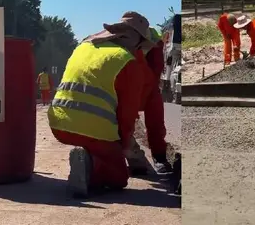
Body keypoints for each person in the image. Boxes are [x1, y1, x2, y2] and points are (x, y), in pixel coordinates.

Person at [48, 11, 155, 197]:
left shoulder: (82, 47)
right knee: (118, 177)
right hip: (93, 130)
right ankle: (90, 166)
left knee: (97, 144)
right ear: (136, 42)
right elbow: (126, 116)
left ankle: (86, 155)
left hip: (58, 124)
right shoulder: (127, 62)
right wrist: (123, 147)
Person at [130, 27, 175, 176]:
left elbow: (156, 71)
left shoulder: (154, 43)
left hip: (148, 87)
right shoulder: (120, 44)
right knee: (121, 123)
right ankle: (129, 155)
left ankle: (159, 157)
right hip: (127, 84)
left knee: (155, 122)